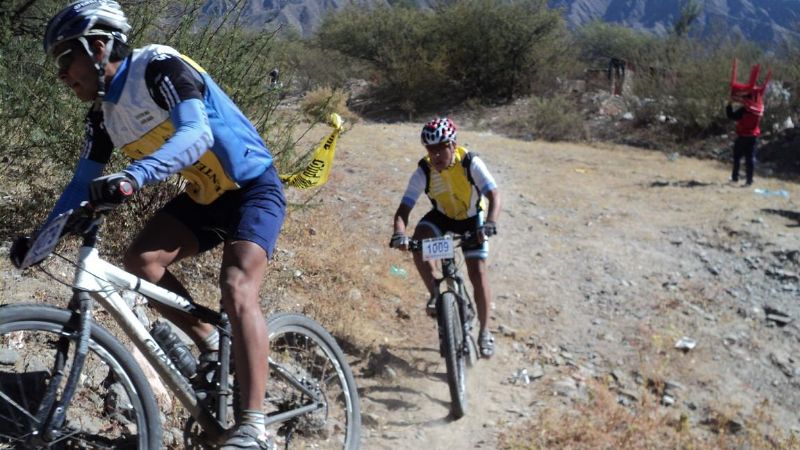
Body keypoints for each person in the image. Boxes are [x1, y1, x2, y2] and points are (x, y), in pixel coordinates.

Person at [12, 1, 285, 448]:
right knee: (141, 261)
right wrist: (42, 240)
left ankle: (254, 427)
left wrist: (134, 176)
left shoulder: (158, 67)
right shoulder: (102, 114)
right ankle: (213, 343)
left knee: (237, 287)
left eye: (66, 59)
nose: (61, 74)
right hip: (207, 197)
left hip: (254, 187)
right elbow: (80, 182)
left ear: (98, 48)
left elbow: (196, 133)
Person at [389, 117, 501, 358]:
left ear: (452, 145)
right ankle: (436, 294)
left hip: (472, 219)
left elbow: (493, 194)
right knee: (419, 241)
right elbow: (403, 210)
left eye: (441, 148)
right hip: (442, 218)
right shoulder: (424, 170)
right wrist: (400, 234)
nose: (436, 155)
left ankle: (484, 331)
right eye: (431, 149)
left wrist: (490, 223)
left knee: (477, 272)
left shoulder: (470, 162)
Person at [727, 60, 771, 186]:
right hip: (753, 137)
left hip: (743, 136)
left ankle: (735, 178)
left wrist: (729, 104)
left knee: (737, 157)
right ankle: (749, 180)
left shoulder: (744, 111)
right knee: (749, 159)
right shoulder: (758, 111)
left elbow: (731, 116)